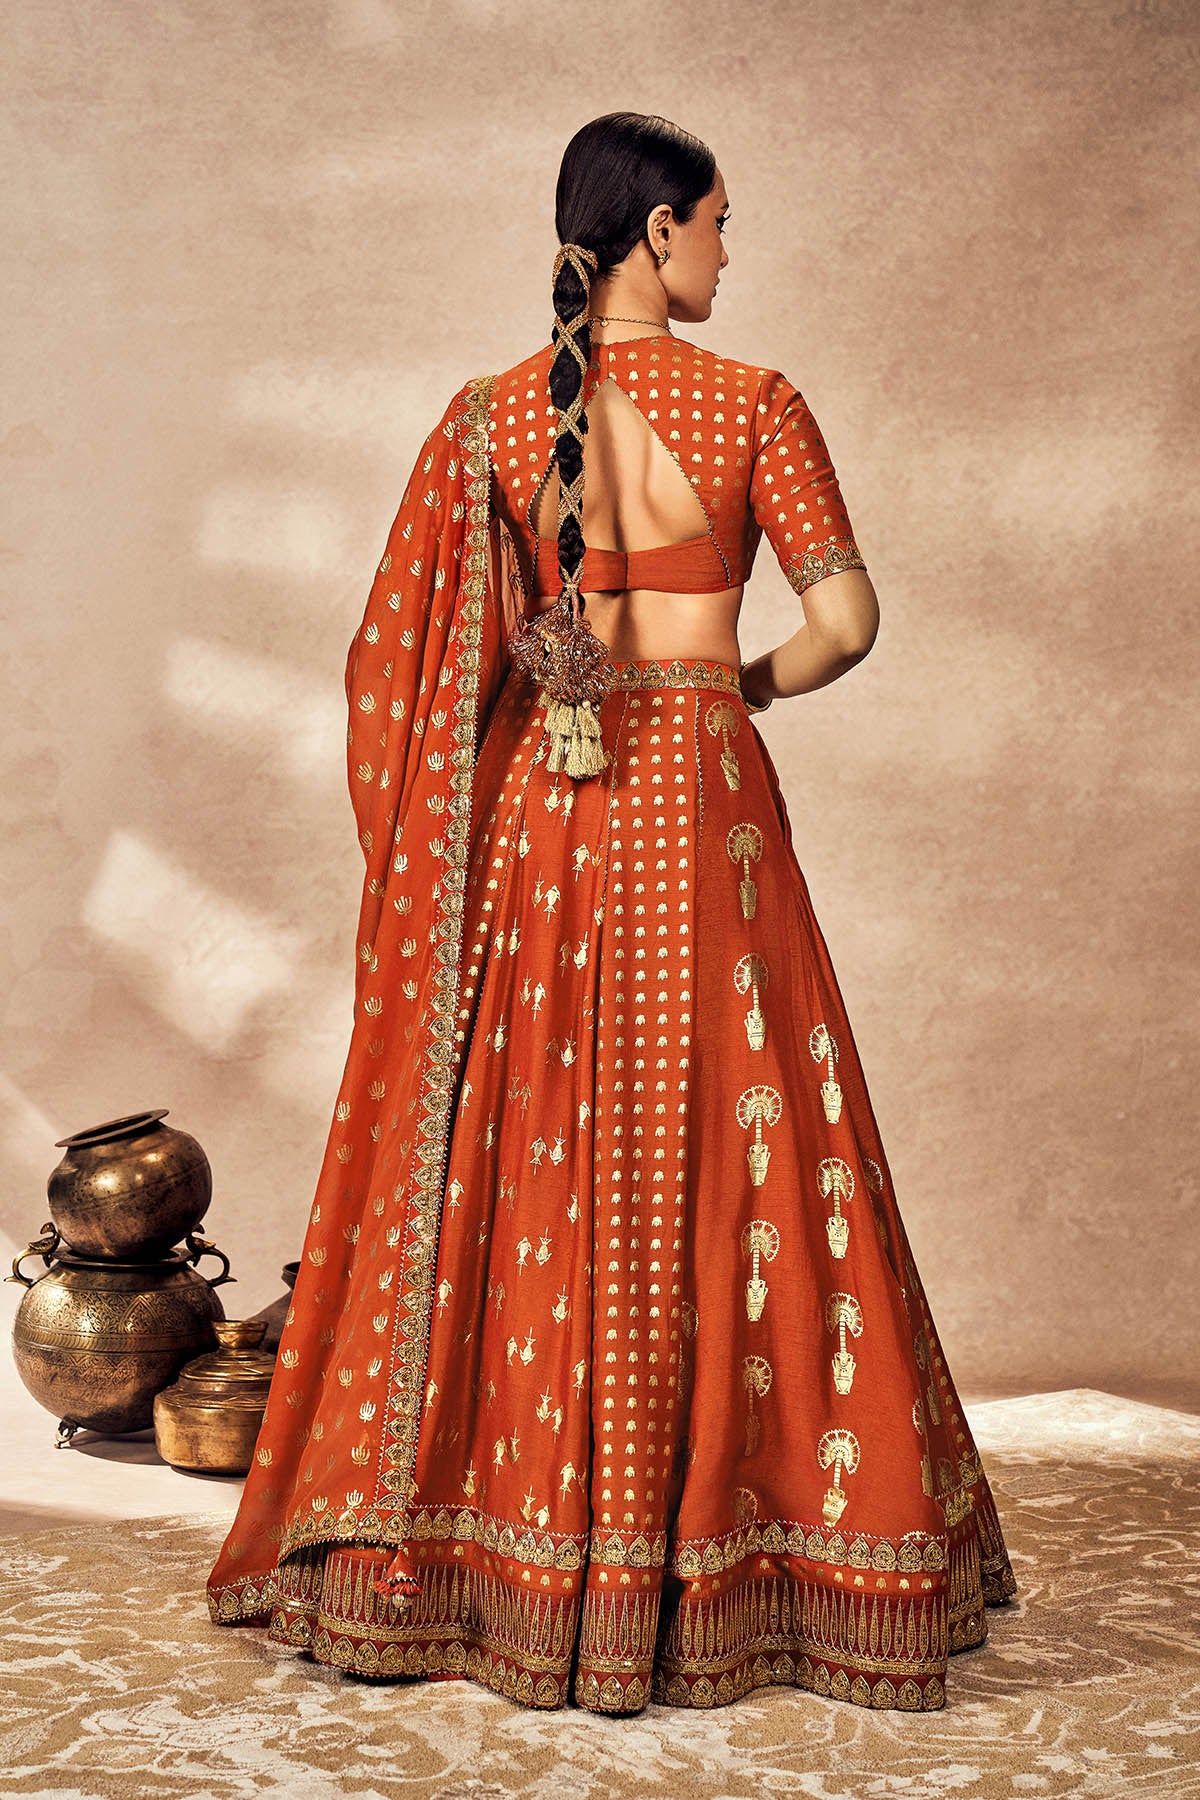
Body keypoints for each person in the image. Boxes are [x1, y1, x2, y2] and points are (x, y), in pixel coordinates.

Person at [205, 111, 1017, 1716]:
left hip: (546, 820)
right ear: (656, 231)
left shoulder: (490, 418)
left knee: (536, 1145)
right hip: (702, 814)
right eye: (717, 220)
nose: (726, 249)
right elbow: (849, 622)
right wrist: (738, 692)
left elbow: (397, 666)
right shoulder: (757, 403)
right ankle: (758, 1550)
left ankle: (486, 1552)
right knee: (747, 1139)